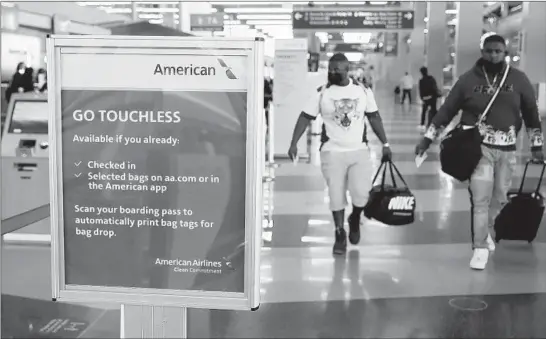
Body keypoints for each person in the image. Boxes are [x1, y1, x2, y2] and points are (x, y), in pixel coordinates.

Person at [415, 34, 544, 270]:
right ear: (482, 52)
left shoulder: (518, 79)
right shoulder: (467, 80)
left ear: (505, 53)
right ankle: (479, 247)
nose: (493, 55)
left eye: (498, 51)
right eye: (489, 51)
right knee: (480, 199)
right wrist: (427, 139)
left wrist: (537, 145)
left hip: (507, 150)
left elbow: (531, 115)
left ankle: (487, 232)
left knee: (500, 198)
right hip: (478, 150)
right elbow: (446, 110)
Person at [288, 53, 392, 255]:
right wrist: (294, 142)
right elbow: (305, 116)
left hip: (359, 151)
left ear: (347, 70)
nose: (333, 72)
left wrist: (385, 143)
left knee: (361, 194)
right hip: (331, 152)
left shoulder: (362, 91)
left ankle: (355, 218)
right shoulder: (322, 93)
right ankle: (339, 233)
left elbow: (374, 117)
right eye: (331, 69)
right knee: (336, 195)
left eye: (337, 69)